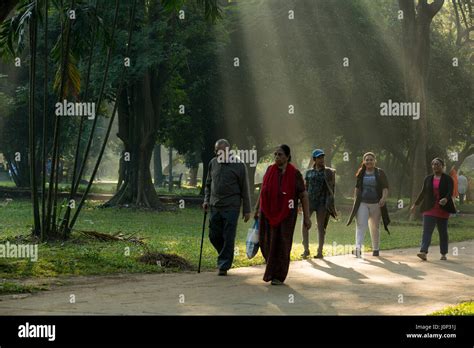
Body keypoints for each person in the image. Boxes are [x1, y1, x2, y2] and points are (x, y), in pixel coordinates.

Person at [254, 144, 312, 285]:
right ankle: (271, 267)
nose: (277, 157)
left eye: (280, 154)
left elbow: (303, 195)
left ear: (287, 157)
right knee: (265, 241)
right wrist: (256, 209)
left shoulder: (295, 174)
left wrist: (307, 216)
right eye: (275, 154)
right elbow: (263, 191)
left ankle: (278, 275)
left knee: (282, 244)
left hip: (287, 214)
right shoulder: (269, 170)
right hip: (267, 212)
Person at [203, 139, 252, 276]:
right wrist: (206, 200)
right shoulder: (213, 163)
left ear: (228, 151)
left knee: (228, 235)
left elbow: (245, 189)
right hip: (215, 205)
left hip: (232, 206)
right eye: (217, 151)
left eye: (222, 151)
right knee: (213, 235)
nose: (219, 153)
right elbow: (208, 184)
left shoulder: (239, 165)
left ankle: (223, 265)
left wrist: (247, 210)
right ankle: (226, 253)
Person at [411, 158, 456, 261]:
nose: (435, 166)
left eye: (438, 164)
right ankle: (423, 252)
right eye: (434, 164)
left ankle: (443, 253)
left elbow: (450, 191)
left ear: (442, 166)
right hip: (429, 208)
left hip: (442, 209)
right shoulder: (428, 179)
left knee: (443, 232)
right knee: (426, 231)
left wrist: (446, 199)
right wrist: (415, 204)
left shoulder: (448, 179)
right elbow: (423, 193)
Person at [346, 152, 390, 258]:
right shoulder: (361, 172)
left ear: (375, 161)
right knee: (361, 225)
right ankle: (358, 249)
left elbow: (385, 188)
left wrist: (383, 198)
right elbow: (357, 188)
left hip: (376, 204)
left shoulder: (380, 173)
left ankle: (375, 249)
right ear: (364, 161)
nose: (369, 161)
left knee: (374, 226)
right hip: (362, 203)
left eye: (371, 159)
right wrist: (355, 202)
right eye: (367, 160)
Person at [301, 149, 337, 259]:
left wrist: (330, 203)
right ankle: (306, 249)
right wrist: (301, 202)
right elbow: (305, 188)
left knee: (321, 227)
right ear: (314, 159)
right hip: (310, 202)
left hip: (322, 202)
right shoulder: (309, 172)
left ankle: (320, 251)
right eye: (319, 157)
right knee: (305, 225)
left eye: (322, 157)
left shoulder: (328, 172)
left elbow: (332, 188)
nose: (321, 159)